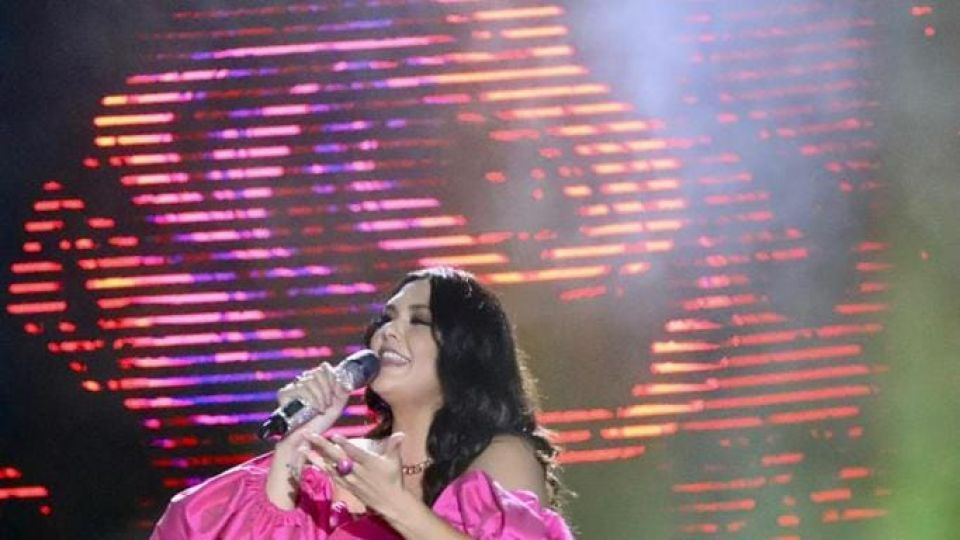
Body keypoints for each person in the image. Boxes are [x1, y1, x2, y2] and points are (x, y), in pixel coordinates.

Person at [151, 267, 574, 539]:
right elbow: (199, 526)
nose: (388, 332)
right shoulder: (339, 466)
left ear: (468, 351)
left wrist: (393, 504)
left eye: (418, 321)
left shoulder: (501, 455)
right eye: (387, 318)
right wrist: (294, 446)